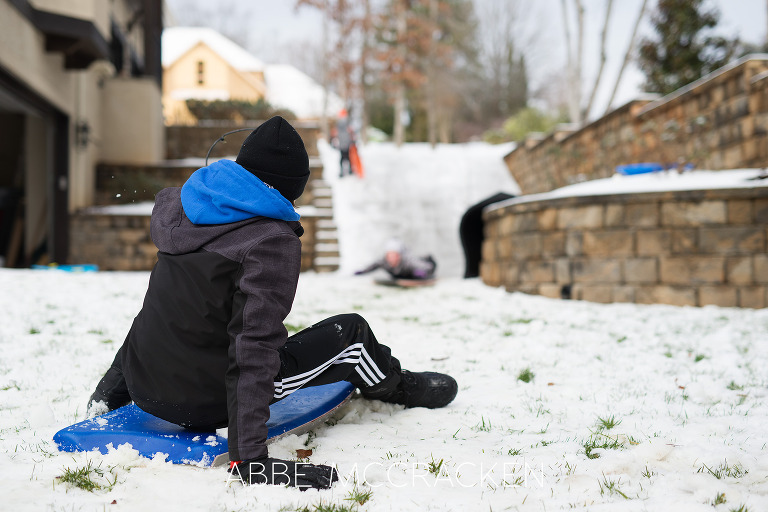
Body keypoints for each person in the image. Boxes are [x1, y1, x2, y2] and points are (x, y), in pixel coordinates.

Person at [86, 116, 457, 490]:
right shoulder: (268, 241)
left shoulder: (181, 213)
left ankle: (108, 394)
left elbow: (153, 313)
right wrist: (251, 460)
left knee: (169, 306)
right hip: (208, 401)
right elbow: (254, 346)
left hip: (143, 384)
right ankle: (396, 387)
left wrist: (109, 396)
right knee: (353, 334)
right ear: (289, 188)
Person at [355, 239, 437, 281]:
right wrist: (362, 272)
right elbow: (372, 266)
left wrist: (423, 273)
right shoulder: (384, 262)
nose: (391, 258)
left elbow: (428, 267)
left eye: (393, 255)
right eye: (389, 255)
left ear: (398, 256)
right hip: (400, 276)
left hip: (416, 272)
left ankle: (427, 257)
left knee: (424, 263)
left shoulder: (408, 262)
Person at [331, 109, 354, 177]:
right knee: (343, 158)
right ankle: (343, 171)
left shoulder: (348, 123)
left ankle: (349, 170)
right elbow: (335, 133)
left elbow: (351, 132)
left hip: (347, 143)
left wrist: (352, 140)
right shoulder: (339, 124)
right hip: (342, 143)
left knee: (347, 157)